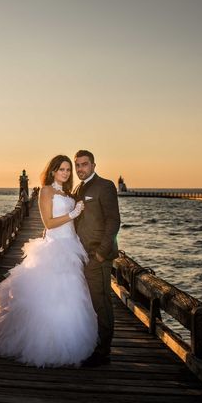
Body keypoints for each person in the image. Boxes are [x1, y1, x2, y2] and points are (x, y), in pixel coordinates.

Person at [0, 155, 98, 367]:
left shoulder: (66, 192)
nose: (66, 173)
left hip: (70, 246)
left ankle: (66, 340)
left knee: (71, 295)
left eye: (68, 169)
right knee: (50, 295)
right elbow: (48, 223)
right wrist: (73, 214)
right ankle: (43, 344)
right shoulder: (46, 191)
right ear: (52, 171)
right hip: (54, 247)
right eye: (61, 169)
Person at [72, 150, 121, 366]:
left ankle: (103, 352)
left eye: (84, 164)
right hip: (81, 255)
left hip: (97, 256)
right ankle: (92, 344)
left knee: (101, 302)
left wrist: (101, 253)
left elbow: (113, 221)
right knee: (88, 303)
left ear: (93, 165)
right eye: (77, 165)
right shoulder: (78, 188)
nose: (80, 168)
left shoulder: (106, 186)